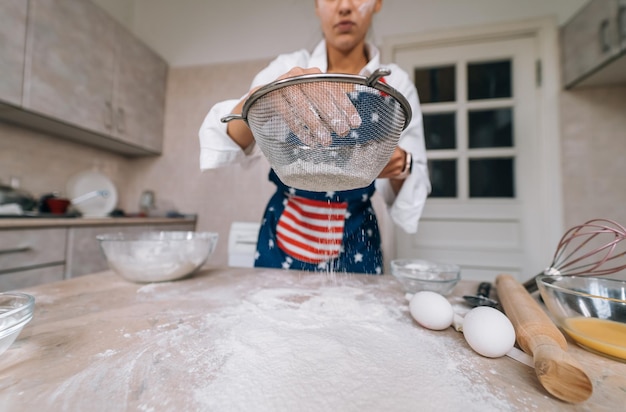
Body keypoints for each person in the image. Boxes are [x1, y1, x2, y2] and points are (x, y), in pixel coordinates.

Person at [199, 0, 430, 274]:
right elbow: (224, 137)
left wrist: (401, 165)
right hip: (284, 234)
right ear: (317, 6)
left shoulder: (396, 84)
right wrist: (263, 100)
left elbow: (414, 183)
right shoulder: (288, 68)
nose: (344, 7)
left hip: (357, 238)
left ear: (377, 3)